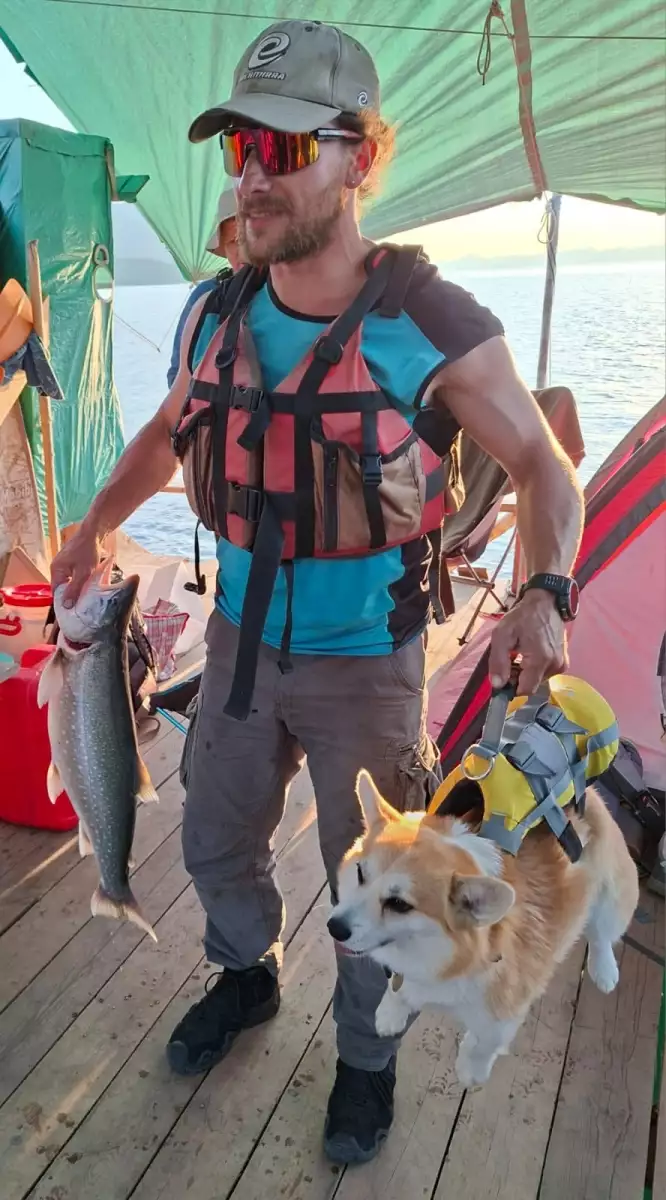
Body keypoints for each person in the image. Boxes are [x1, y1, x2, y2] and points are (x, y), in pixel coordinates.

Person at [51, 19, 584, 1167]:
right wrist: (91, 525)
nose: (253, 175)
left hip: (370, 666)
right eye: (240, 147)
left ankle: (364, 1060)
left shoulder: (432, 323)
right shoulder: (212, 313)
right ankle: (246, 974)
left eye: (286, 149)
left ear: (361, 159)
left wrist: (545, 590)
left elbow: (548, 469)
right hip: (237, 647)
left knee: (381, 884)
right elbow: (166, 432)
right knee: (212, 842)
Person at [166, 189, 241, 388]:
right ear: (223, 248)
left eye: (251, 238)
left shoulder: (289, 295)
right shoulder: (206, 296)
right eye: (234, 241)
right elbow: (178, 374)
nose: (243, 251)